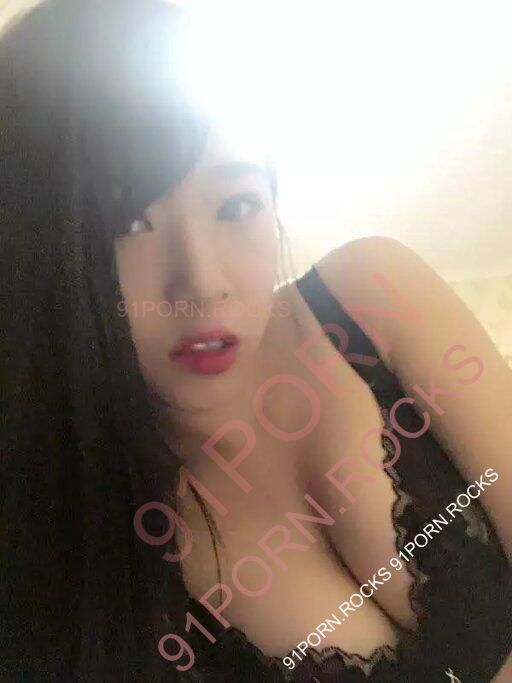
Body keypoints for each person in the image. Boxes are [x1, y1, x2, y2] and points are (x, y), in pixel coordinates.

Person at [1, 1, 511, 681]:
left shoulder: (373, 297)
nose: (203, 283)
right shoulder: (77, 549)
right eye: (126, 222)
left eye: (235, 205)